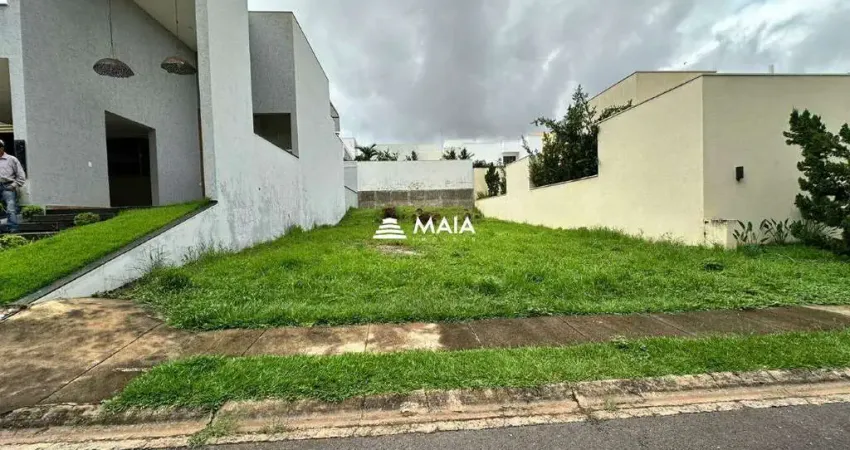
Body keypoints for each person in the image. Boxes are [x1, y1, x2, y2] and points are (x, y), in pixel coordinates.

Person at [0, 139, 26, 233]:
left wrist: (14, 185)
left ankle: (13, 228)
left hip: (8, 186)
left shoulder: (11, 159)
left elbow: (21, 175)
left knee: (10, 208)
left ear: (2, 148)